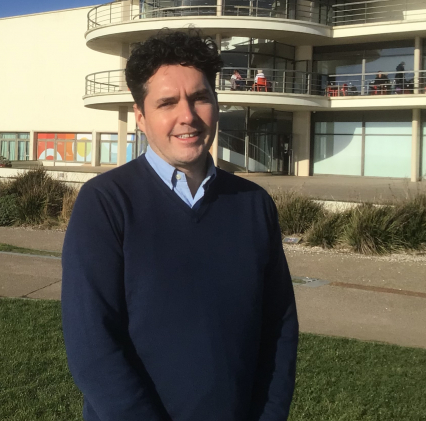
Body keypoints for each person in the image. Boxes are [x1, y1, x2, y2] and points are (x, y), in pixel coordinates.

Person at [62, 29, 298, 421]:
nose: (187, 116)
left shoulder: (254, 206)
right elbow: (93, 346)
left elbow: (279, 328)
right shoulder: (105, 203)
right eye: (167, 102)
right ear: (140, 116)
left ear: (217, 105)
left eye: (200, 98)